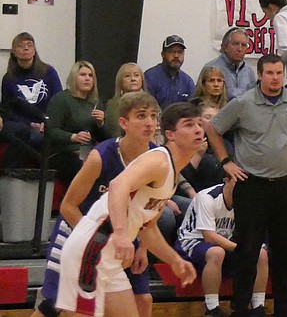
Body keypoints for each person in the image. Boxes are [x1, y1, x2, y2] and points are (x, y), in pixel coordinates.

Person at [54, 102, 203, 317]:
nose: (198, 129)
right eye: (189, 125)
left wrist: (175, 260)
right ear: (170, 134)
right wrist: (122, 233)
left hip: (109, 258)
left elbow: (148, 229)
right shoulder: (159, 160)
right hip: (92, 248)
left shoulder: (171, 174)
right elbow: (117, 185)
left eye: (199, 123)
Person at [205, 52, 287, 317]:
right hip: (252, 185)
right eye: (269, 73)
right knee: (247, 250)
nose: (275, 78)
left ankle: (284, 308)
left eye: (279, 73)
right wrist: (225, 161)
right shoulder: (243, 102)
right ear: (259, 75)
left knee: (286, 250)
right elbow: (213, 128)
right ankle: (241, 308)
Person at [35, 91, 160, 317]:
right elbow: (68, 206)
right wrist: (94, 241)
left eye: (153, 115)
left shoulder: (157, 159)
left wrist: (144, 246)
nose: (149, 122)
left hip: (121, 237)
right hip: (79, 229)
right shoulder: (101, 156)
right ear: (124, 122)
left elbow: (153, 208)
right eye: (141, 116)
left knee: (143, 299)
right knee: (58, 303)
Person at [174, 175, 270, 317]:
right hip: (191, 241)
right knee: (217, 252)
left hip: (223, 243)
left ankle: (258, 306)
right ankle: (211, 308)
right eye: (238, 182)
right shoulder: (207, 197)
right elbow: (209, 236)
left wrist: (251, 248)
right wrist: (241, 249)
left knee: (261, 253)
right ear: (226, 180)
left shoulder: (247, 201)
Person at [1, 32, 62, 166]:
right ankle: (8, 173)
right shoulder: (8, 78)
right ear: (14, 52)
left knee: (42, 139)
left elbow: (58, 102)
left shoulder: (49, 73)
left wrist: (46, 123)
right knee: (23, 134)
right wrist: (30, 125)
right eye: (21, 46)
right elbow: (7, 111)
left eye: (30, 45)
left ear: (34, 51)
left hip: (45, 123)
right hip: (21, 126)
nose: (26, 48)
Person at [45, 61, 108, 186]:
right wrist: (73, 137)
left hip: (88, 152)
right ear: (74, 78)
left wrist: (101, 124)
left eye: (90, 76)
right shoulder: (61, 99)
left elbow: (103, 137)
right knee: (82, 168)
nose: (87, 79)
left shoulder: (95, 103)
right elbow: (51, 130)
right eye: (83, 75)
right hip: (63, 153)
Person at [204, 27, 258, 101]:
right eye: (236, 44)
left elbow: (253, 100)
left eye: (243, 45)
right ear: (225, 47)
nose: (240, 49)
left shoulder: (248, 71)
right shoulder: (211, 68)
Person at [144, 35, 196, 108]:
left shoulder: (187, 82)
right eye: (172, 51)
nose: (176, 56)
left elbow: (191, 110)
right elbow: (146, 107)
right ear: (163, 54)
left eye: (180, 52)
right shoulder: (150, 77)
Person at [104, 63, 146, 139]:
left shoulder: (150, 102)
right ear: (120, 82)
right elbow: (114, 131)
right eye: (127, 76)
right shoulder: (114, 104)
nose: (133, 79)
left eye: (136, 75)